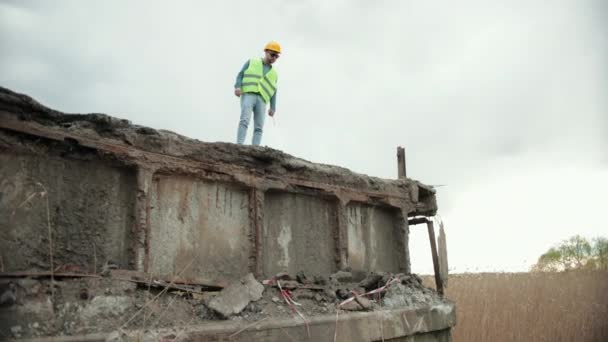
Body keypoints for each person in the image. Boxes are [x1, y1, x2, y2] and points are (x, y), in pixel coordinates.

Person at [234, 41, 280, 146]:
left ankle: (256, 148)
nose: (274, 58)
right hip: (249, 94)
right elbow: (240, 75)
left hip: (262, 100)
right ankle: (239, 145)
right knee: (244, 120)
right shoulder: (252, 62)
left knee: (259, 127)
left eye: (276, 56)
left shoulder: (274, 74)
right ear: (266, 51)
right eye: (272, 54)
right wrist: (237, 87)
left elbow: (274, 91)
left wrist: (273, 107)